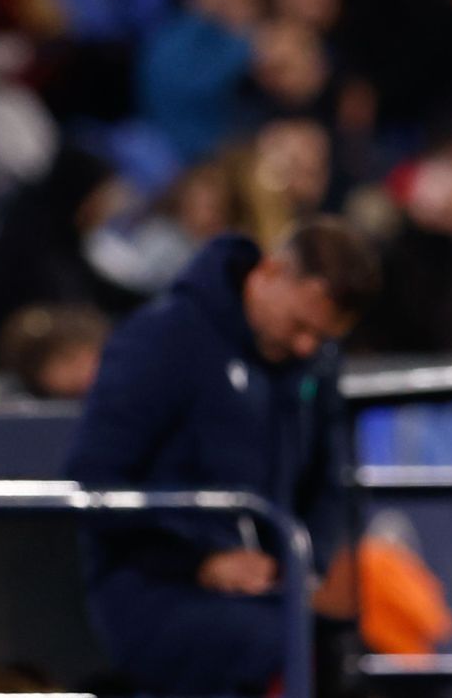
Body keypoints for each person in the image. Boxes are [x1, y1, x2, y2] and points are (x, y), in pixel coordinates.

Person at [63, 216, 381, 695]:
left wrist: (301, 563)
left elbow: (331, 480)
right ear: (269, 273)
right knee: (284, 650)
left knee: (358, 656)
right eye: (299, 326)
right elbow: (94, 479)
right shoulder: (163, 337)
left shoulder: (316, 362)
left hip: (271, 590)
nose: (305, 345)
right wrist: (198, 562)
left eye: (322, 336)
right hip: (153, 587)